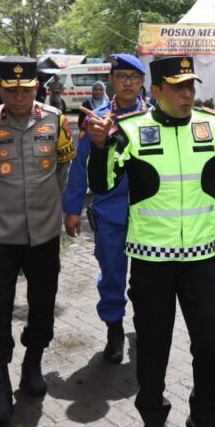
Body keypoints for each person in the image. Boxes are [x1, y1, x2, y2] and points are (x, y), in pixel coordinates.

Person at [86, 56, 215, 427]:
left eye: (190, 86)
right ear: (155, 91)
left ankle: (203, 418)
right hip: (149, 261)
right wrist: (101, 146)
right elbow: (104, 183)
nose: (187, 93)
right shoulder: (129, 128)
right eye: (177, 87)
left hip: (202, 260)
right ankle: (153, 420)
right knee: (153, 350)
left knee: (210, 346)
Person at [0, 57, 75, 425]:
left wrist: (45, 204)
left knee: (43, 303)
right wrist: (5, 202)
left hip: (44, 233)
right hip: (1, 234)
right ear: (0, 88)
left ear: (37, 88)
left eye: (26, 89)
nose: (18, 96)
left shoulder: (55, 120)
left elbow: (63, 169)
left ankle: (33, 363)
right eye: (11, 89)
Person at [62, 54, 148, 365]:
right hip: (110, 213)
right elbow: (79, 166)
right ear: (111, 80)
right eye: (122, 76)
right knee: (112, 273)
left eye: (134, 77)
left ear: (141, 82)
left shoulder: (154, 118)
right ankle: (114, 328)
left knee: (147, 277)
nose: (128, 82)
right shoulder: (94, 119)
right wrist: (72, 208)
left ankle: (145, 326)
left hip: (149, 216)